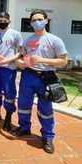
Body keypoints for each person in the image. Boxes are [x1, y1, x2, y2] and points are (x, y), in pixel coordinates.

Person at [13, 9, 68, 154]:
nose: (37, 22)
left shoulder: (55, 40)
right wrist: (21, 63)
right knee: (23, 104)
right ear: (31, 23)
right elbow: (22, 57)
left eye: (40, 19)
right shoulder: (28, 39)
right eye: (34, 20)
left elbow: (63, 61)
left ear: (46, 20)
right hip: (28, 76)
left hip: (46, 77)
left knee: (45, 108)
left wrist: (43, 60)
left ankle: (48, 137)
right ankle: (24, 127)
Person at [0, 12, 23, 131]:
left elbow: (20, 52)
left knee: (9, 93)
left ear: (9, 21)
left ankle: (8, 117)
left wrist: (8, 60)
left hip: (9, 68)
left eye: (5, 19)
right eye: (0, 19)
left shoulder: (16, 34)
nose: (2, 21)